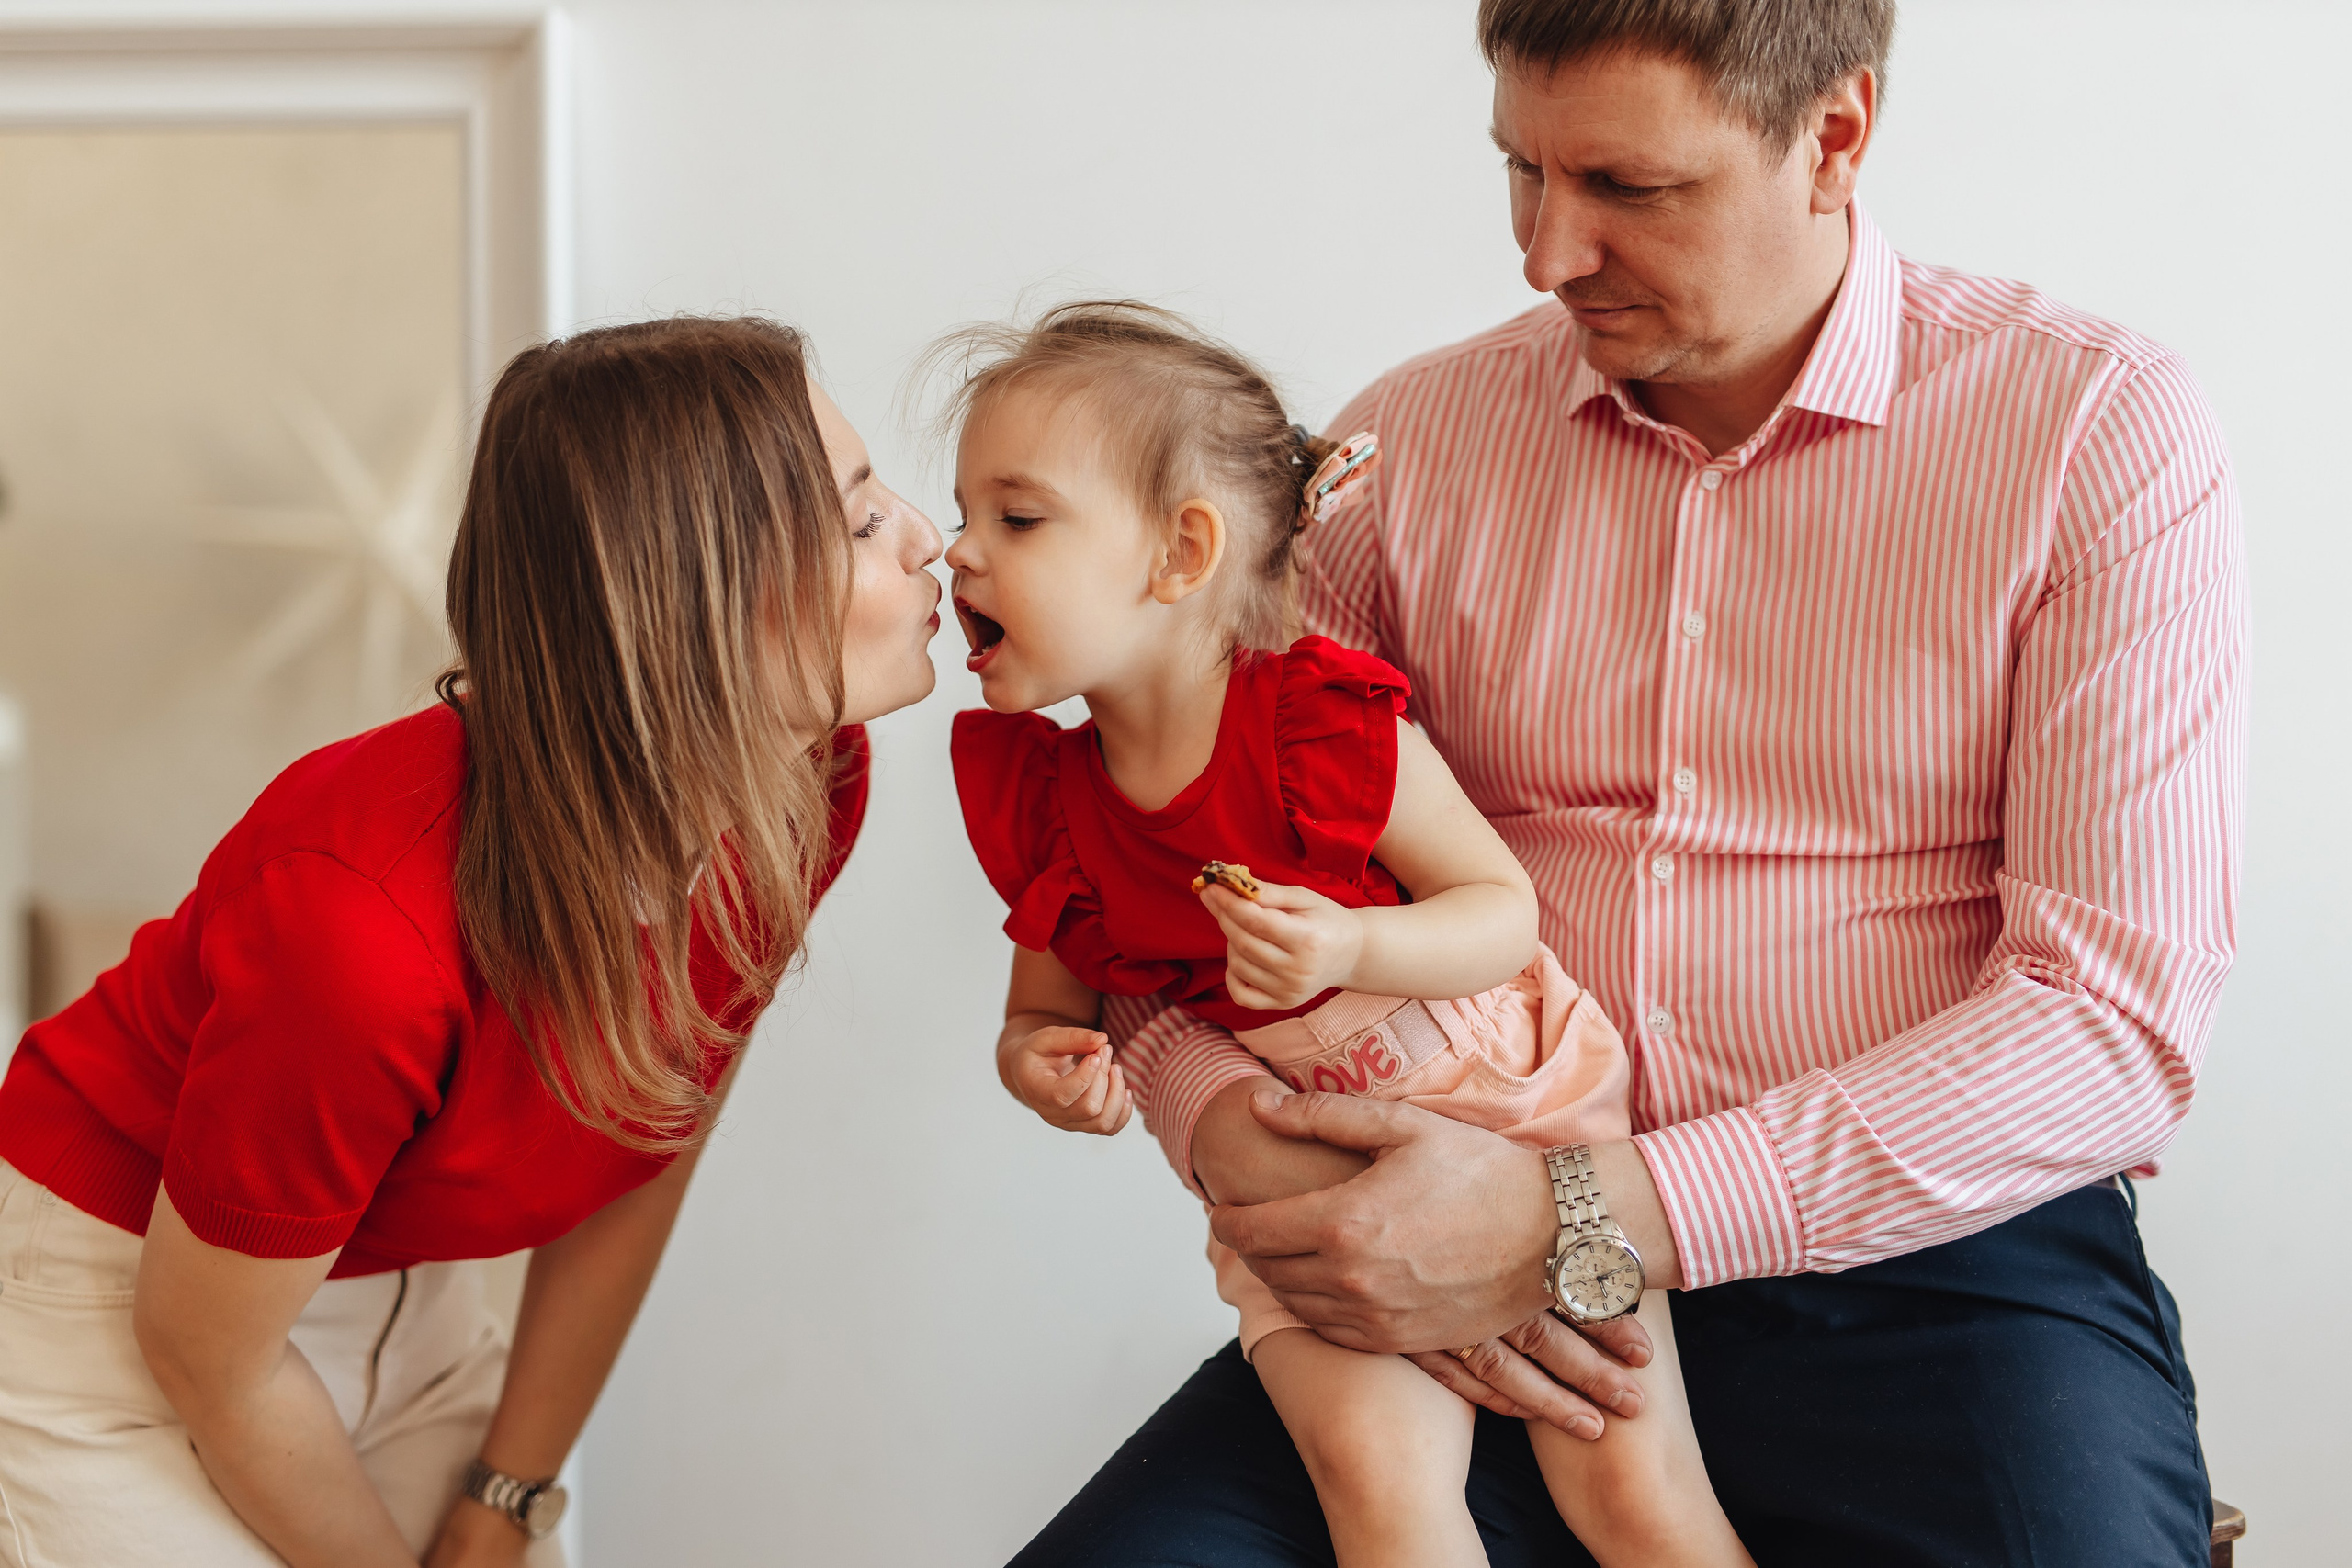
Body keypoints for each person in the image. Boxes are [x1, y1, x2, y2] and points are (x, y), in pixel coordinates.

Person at [1009, 2, 2243, 1565]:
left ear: (1836, 137)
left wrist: (1588, 1220)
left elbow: (2111, 1022)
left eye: (1629, 188)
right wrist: (1226, 1126)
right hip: (1432, 1234)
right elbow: (1160, 834)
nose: (1546, 253)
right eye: (1521, 170)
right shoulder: (1405, 449)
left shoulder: (2095, 431)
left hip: (1943, 1274)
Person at [0, 316, 946, 1568]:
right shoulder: (362, 935)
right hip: (122, 1319)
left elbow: (649, 1142)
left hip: (395, 1292)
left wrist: (511, 1494)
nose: (931, 535)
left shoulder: (804, 783)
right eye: (865, 516)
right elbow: (207, 1357)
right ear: (699, 601)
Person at [940, 303, 1750, 1568]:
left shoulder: (1313, 721)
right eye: (963, 514)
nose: (959, 554)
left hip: (1513, 1124)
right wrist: (1046, 1065)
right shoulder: (1050, 800)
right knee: (1380, 1495)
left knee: (1635, 1503)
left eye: (1017, 519)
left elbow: (1502, 914)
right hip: (1305, 1218)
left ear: (1180, 550)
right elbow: (1046, 1009)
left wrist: (1350, 952)